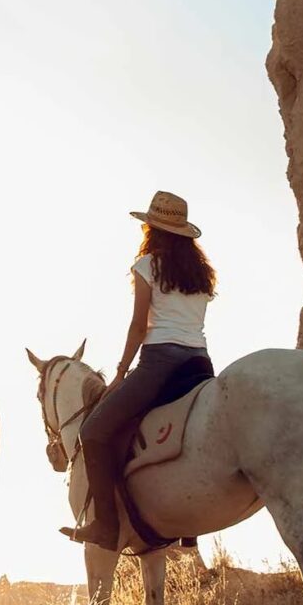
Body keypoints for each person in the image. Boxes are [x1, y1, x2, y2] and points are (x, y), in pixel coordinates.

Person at [65, 190, 217, 549]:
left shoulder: (147, 265)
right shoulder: (201, 274)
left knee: (94, 430)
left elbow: (139, 326)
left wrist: (120, 371)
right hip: (200, 362)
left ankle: (105, 524)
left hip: (160, 361)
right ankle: (189, 530)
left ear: (151, 228)